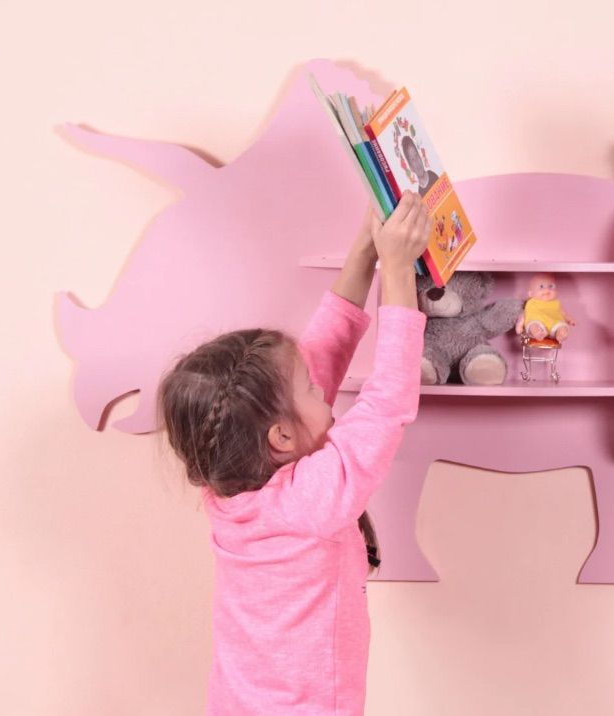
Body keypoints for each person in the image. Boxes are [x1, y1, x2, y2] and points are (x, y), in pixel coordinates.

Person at [158, 193, 432, 714]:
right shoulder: (307, 503)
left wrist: (366, 254)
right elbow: (387, 402)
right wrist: (396, 273)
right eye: (311, 388)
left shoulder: (228, 483)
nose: (323, 387)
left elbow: (320, 358)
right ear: (280, 437)